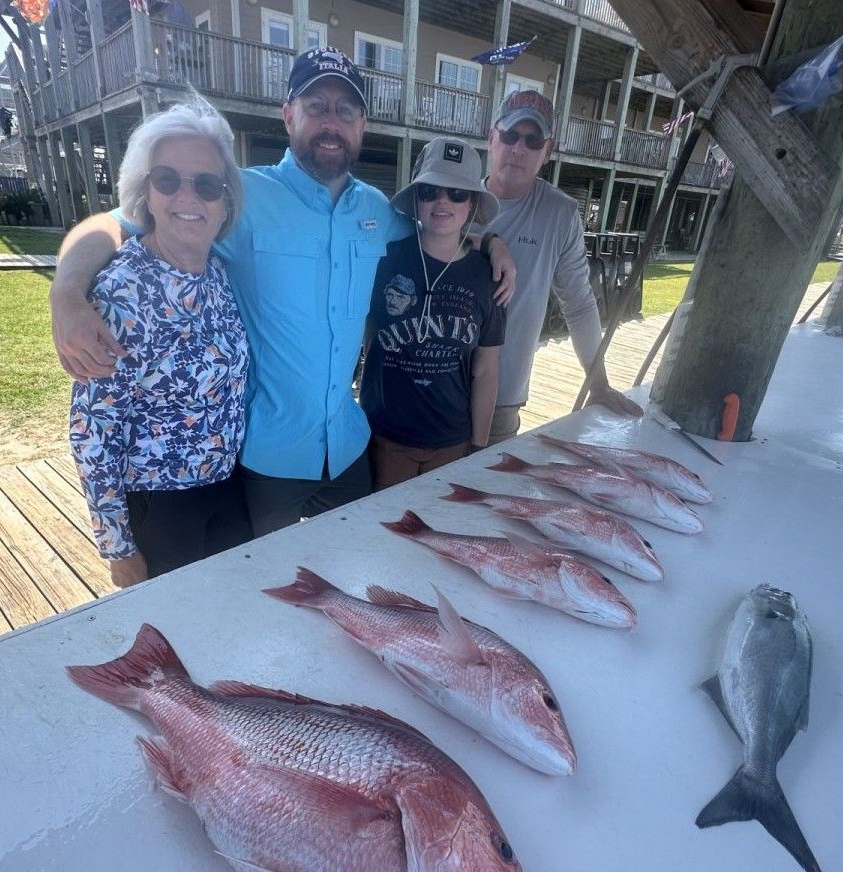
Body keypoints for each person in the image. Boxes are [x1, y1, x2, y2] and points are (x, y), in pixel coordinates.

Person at [49, 48, 515, 537]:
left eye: (346, 110)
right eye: (316, 107)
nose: (331, 122)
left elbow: (438, 227)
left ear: (362, 125)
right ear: (288, 114)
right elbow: (112, 224)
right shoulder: (241, 198)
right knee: (269, 582)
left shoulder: (376, 211)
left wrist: (490, 240)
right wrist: (67, 294)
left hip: (350, 445)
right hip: (268, 454)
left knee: (357, 558)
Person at [68, 97, 250, 587]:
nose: (188, 197)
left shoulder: (218, 271)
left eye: (207, 185)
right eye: (168, 179)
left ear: (225, 201)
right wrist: (118, 548)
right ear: (146, 192)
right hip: (161, 511)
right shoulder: (121, 291)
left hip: (227, 490)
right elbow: (92, 434)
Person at [481, 89, 643, 444]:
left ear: (547, 151)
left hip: (502, 398)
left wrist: (598, 385)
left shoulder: (561, 214)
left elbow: (580, 304)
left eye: (533, 140)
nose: (518, 148)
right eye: (510, 136)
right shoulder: (452, 199)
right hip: (438, 388)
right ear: (491, 138)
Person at [361, 137, 504, 489]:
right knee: (386, 533)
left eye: (457, 193)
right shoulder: (382, 258)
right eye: (430, 191)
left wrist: (479, 445)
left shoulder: (489, 275)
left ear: (472, 205)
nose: (443, 201)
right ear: (416, 198)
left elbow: (486, 370)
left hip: (452, 439)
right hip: (386, 437)